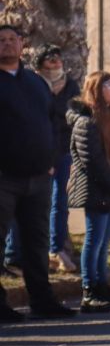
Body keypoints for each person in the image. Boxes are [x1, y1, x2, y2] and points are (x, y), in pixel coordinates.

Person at [0, 25, 77, 322]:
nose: (7, 45)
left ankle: (42, 299)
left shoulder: (35, 82)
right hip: (5, 178)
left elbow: (53, 123)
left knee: (37, 242)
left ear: (22, 44)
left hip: (39, 177)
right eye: (1, 41)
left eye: (12, 40)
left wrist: (51, 160)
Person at [67, 72, 110, 313]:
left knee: (104, 243)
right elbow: (94, 162)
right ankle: (89, 290)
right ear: (95, 90)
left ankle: (102, 285)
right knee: (93, 241)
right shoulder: (86, 122)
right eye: (107, 85)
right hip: (96, 190)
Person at [33, 44, 81, 274]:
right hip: (38, 150)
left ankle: (57, 248)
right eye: (50, 59)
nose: (56, 62)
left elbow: (71, 114)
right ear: (41, 62)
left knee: (59, 201)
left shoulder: (70, 85)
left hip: (63, 150)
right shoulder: (34, 84)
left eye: (58, 58)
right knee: (34, 202)